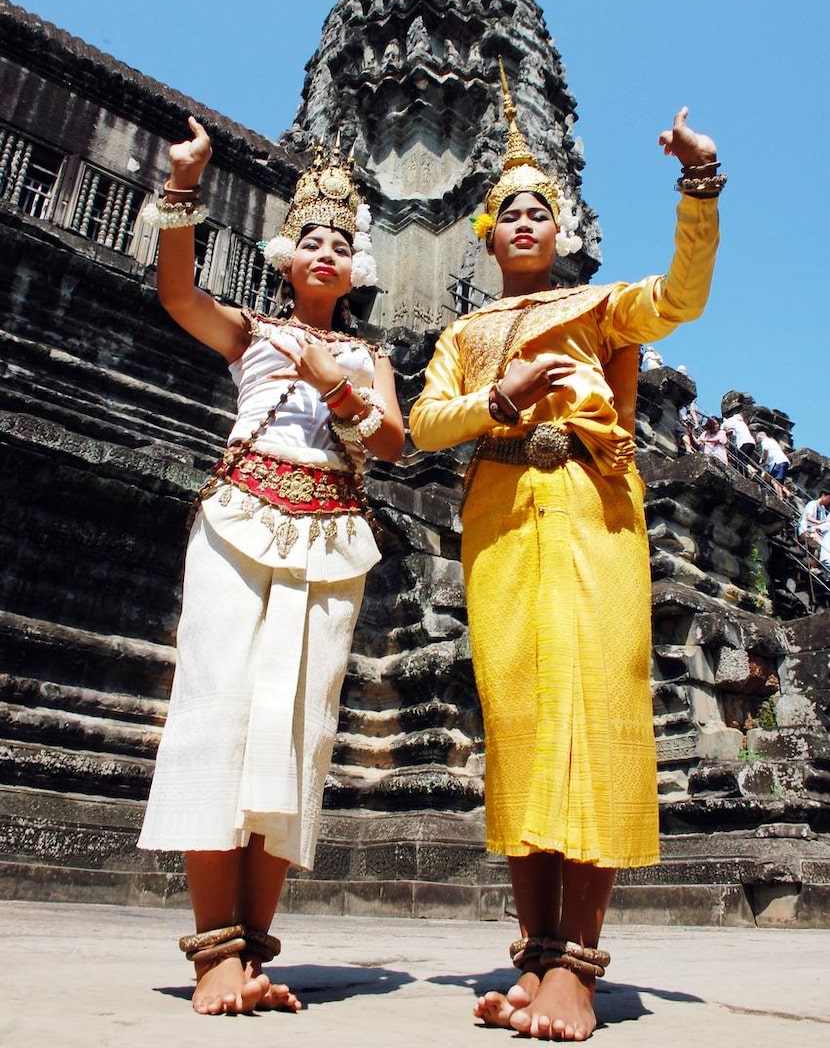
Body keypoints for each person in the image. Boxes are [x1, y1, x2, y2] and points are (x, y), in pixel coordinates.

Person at [409, 63, 724, 1042]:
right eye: (506, 211)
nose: (523, 221)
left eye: (540, 209)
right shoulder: (464, 332)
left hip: (591, 510)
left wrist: (698, 188)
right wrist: (497, 400)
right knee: (520, 724)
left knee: (590, 713)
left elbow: (678, 299)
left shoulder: (595, 309)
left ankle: (579, 968)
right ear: (485, 233)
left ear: (564, 229)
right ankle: (534, 956)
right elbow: (422, 425)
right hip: (500, 516)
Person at [137, 118, 404, 1015]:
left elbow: (393, 444)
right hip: (239, 518)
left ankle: (253, 951)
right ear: (289, 258)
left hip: (331, 534)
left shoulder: (371, 357)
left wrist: (335, 380)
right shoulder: (250, 330)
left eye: (342, 241)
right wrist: (184, 188)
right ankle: (215, 949)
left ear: (356, 264)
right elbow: (178, 296)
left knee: (299, 729)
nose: (326, 251)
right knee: (215, 708)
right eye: (312, 240)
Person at [756, 429, 791, 497]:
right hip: (783, 462)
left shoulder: (765, 441)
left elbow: (766, 450)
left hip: (778, 462)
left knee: (774, 481)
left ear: (760, 437)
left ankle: (780, 496)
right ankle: (786, 492)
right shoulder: (772, 441)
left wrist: (764, 461)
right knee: (778, 481)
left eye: (757, 439)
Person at [798, 490, 830, 561]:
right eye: (829, 498)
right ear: (823, 495)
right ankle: (813, 567)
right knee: (822, 545)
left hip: (815, 532)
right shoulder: (812, 504)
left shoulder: (822, 508)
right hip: (806, 530)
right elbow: (809, 517)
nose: (829, 501)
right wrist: (820, 522)